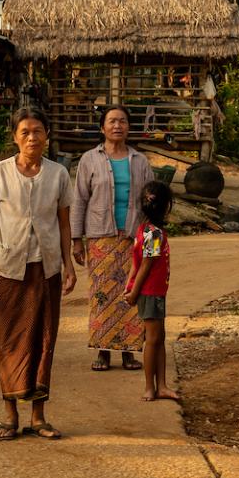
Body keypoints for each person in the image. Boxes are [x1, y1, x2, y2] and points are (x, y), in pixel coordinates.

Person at [0, 106, 75, 441]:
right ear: (15, 137)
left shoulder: (58, 174)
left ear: (47, 135)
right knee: (7, 341)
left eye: (38, 131)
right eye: (25, 132)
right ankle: (9, 416)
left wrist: (69, 263)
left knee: (43, 339)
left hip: (45, 268)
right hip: (5, 268)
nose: (32, 137)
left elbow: (63, 222)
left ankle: (39, 417)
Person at [72, 105, 154, 373]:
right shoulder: (89, 160)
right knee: (101, 296)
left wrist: (152, 239)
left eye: (122, 121)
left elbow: (151, 202)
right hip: (100, 239)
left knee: (131, 292)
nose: (117, 125)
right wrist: (76, 239)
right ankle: (103, 352)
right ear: (102, 127)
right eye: (112, 121)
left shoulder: (140, 161)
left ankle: (129, 352)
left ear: (128, 127)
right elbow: (79, 199)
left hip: (133, 237)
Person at [124, 180, 180, 404]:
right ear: (167, 206)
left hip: (153, 292)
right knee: (153, 339)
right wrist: (135, 292)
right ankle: (150, 386)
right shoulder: (154, 233)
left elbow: (135, 265)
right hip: (151, 293)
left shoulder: (144, 229)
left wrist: (129, 287)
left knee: (159, 338)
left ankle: (162, 385)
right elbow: (145, 266)